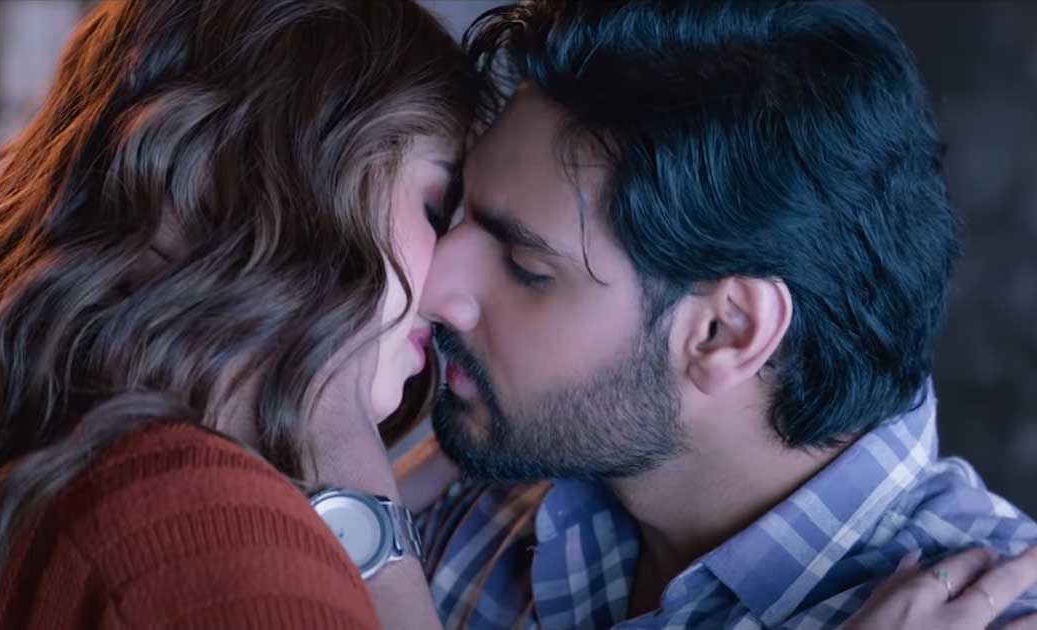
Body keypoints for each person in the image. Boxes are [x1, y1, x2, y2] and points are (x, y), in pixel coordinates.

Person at [394, 1, 1037, 628]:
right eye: (456, 214)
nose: (430, 289)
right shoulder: (487, 476)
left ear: (727, 332)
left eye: (525, 266)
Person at [0, 1, 471, 628]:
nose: (451, 287)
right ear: (297, 193)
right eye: (436, 209)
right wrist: (341, 435)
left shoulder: (59, 458)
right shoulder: (217, 539)